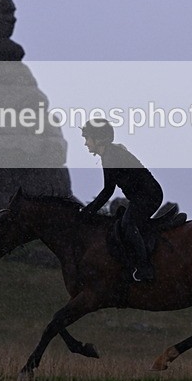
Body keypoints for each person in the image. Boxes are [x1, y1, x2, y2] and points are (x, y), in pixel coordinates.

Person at [80, 118, 163, 282]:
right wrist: (88, 211)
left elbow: (107, 192)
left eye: (87, 138)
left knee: (128, 224)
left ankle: (145, 269)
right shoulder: (108, 156)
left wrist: (87, 212)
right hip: (141, 197)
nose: (86, 143)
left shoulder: (112, 156)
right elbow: (108, 189)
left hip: (149, 196)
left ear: (98, 139)